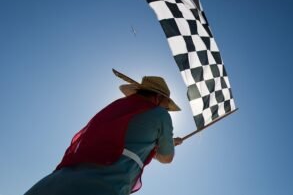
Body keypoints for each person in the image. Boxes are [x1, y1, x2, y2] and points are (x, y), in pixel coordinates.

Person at [24, 69, 183, 195]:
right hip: (100, 188)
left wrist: (160, 142)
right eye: (166, 104)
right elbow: (166, 157)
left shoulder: (117, 107)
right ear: (157, 97)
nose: (166, 108)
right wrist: (167, 143)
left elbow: (129, 140)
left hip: (54, 183)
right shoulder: (160, 114)